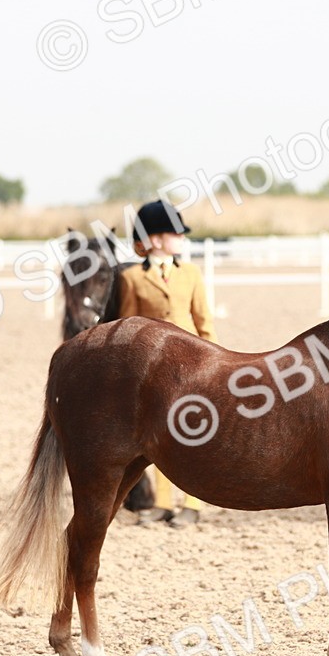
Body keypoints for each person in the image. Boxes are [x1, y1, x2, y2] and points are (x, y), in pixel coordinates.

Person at [117, 200, 217, 528]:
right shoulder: (132, 278)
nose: (181, 239)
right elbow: (128, 325)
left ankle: (191, 502)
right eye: (175, 233)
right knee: (159, 436)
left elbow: (204, 321)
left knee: (193, 434)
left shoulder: (190, 273)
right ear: (156, 239)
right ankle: (161, 503)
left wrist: (215, 360)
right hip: (154, 369)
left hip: (192, 364)